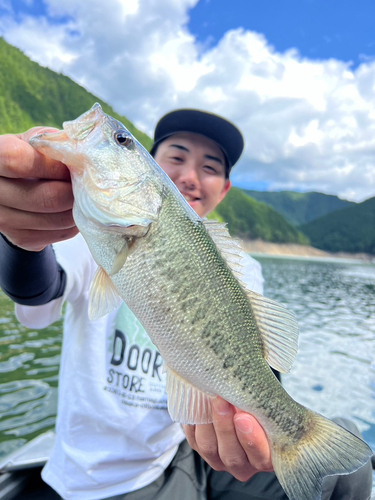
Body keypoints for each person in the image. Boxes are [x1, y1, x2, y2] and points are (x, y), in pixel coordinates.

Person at [0, 109, 372, 500]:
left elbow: (262, 364)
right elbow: (40, 287)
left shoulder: (244, 269)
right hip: (98, 475)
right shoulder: (88, 231)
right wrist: (22, 239)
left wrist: (267, 421)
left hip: (187, 448)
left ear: (225, 188)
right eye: (176, 158)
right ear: (156, 167)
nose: (190, 177)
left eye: (209, 167)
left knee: (346, 464)